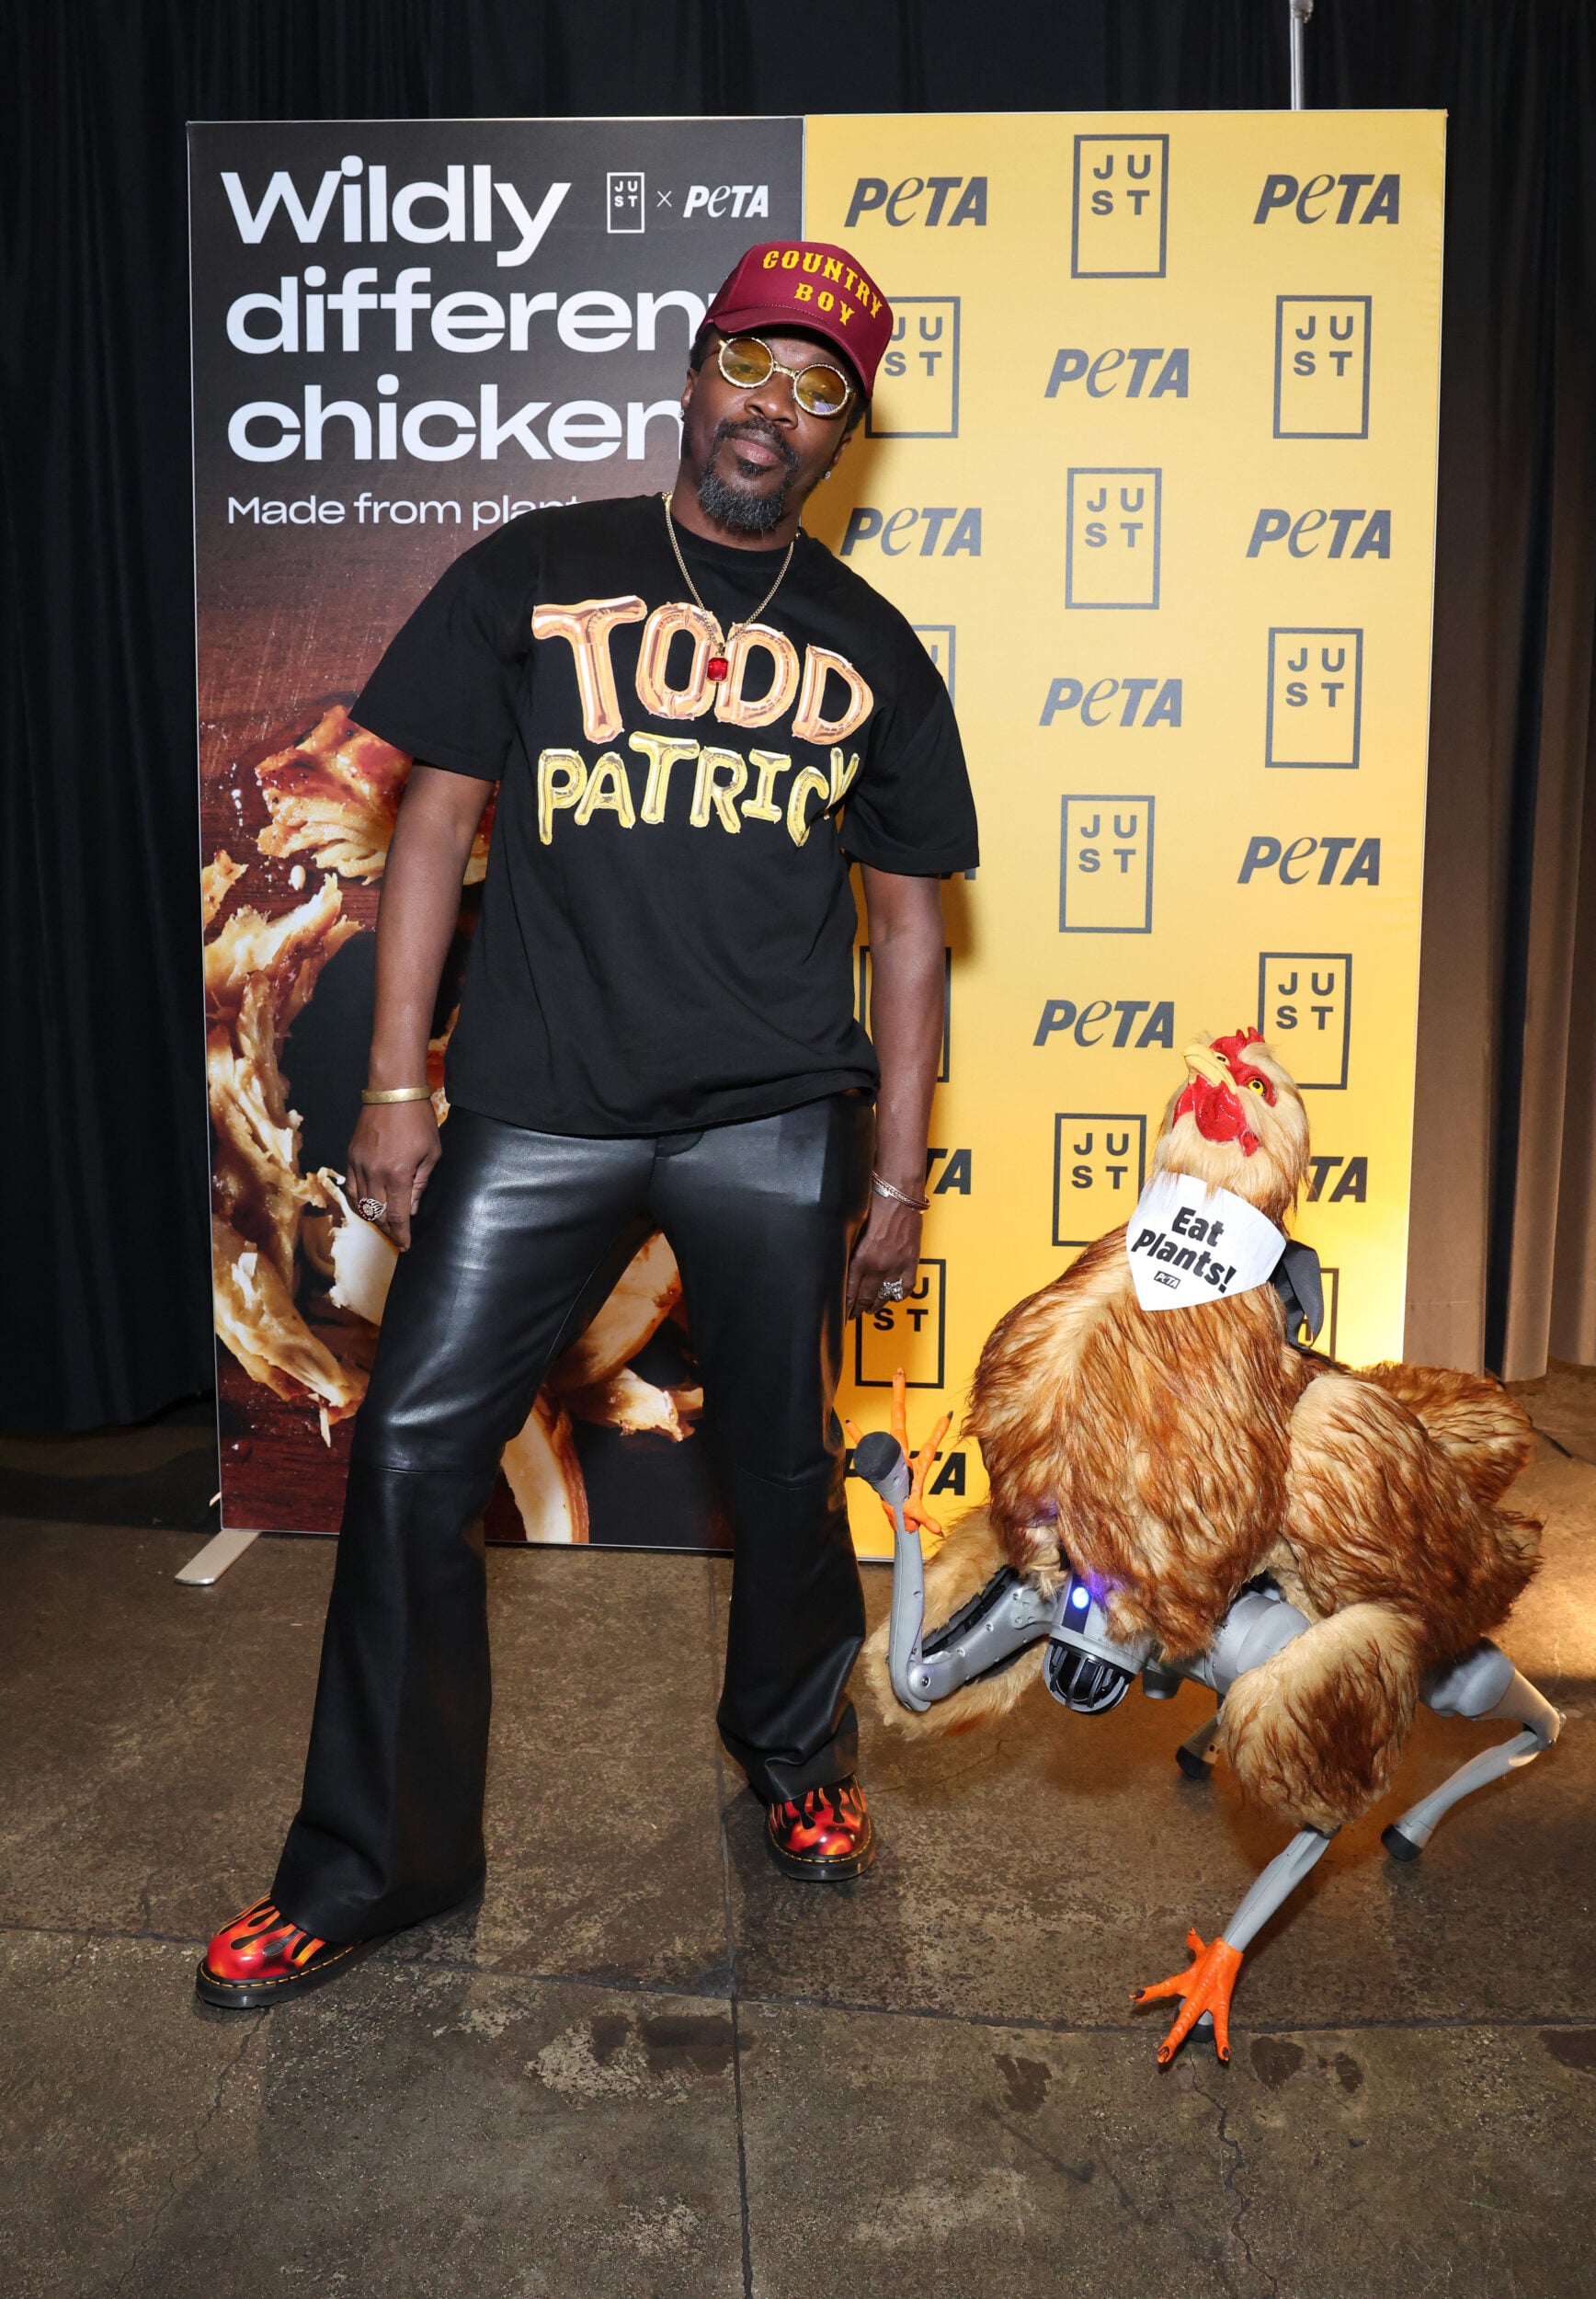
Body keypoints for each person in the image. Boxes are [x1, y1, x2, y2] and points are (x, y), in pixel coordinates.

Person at [198, 240, 976, 2008]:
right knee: (411, 1460)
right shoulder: (538, 568)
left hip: (774, 1115)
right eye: (751, 366)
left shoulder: (869, 643)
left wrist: (898, 1174)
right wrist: (398, 1082)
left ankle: (798, 1763)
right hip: (539, 1106)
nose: (773, 409)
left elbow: (912, 927)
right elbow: (430, 824)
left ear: (844, 435)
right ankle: (371, 1864)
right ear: (692, 375)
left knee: (783, 1470)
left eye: (820, 389)